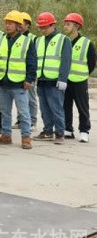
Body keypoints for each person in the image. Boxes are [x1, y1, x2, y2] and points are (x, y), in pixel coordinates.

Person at [0, 11, 37, 149]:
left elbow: (32, 62)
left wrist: (29, 79)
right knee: (4, 112)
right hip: (3, 82)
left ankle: (26, 137)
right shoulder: (1, 40)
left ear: (19, 26)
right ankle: (6, 135)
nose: (7, 25)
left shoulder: (27, 41)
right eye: (6, 23)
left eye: (11, 23)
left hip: (19, 84)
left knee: (24, 112)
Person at [33, 12, 72, 144]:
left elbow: (66, 61)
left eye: (45, 27)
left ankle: (60, 133)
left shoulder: (63, 40)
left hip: (55, 81)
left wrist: (63, 78)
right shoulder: (38, 40)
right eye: (41, 27)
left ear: (53, 25)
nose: (43, 30)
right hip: (41, 79)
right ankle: (48, 131)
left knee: (56, 108)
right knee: (44, 109)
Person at [62, 13, 94, 143]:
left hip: (80, 80)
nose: (65, 26)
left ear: (76, 26)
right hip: (66, 80)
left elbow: (91, 63)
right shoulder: (64, 41)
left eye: (68, 24)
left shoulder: (86, 43)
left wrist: (83, 74)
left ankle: (84, 131)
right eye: (65, 24)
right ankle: (68, 129)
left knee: (82, 107)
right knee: (65, 105)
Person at [19, 12, 39, 130]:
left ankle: (32, 121)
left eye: (21, 23)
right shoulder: (15, 37)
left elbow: (34, 58)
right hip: (18, 72)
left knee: (31, 98)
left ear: (27, 24)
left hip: (29, 73)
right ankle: (20, 120)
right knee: (20, 98)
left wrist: (31, 74)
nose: (19, 25)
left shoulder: (33, 38)